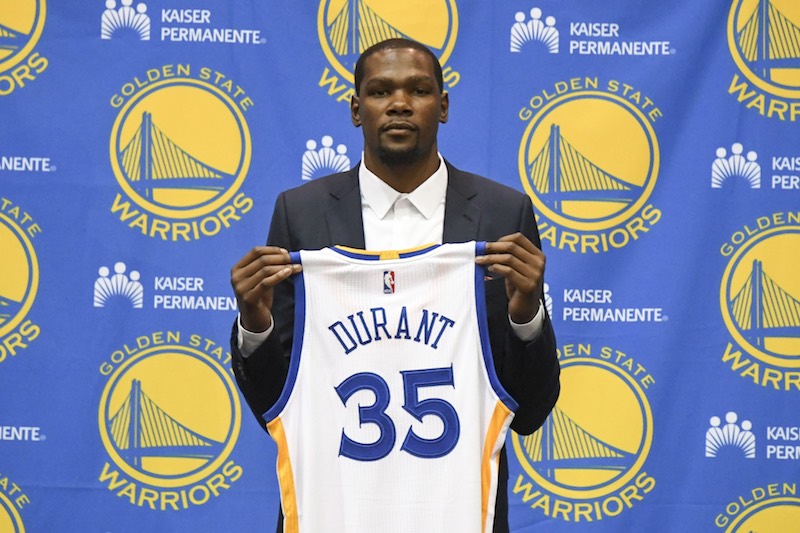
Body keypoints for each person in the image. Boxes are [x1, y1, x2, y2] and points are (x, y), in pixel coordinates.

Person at [230, 38, 559, 533]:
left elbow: (529, 412)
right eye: (381, 91)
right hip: (335, 510)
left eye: (419, 90)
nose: (400, 104)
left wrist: (526, 317)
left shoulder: (501, 215)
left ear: (443, 106)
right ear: (356, 109)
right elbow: (279, 405)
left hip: (460, 512)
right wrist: (255, 326)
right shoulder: (301, 214)